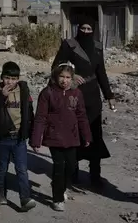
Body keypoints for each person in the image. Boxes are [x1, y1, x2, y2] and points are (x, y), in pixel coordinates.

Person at [51, 18, 115, 189]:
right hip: (74, 96)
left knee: (95, 135)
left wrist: (109, 95)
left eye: (88, 28)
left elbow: (101, 72)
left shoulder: (98, 47)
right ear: (78, 28)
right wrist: (71, 77)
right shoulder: (69, 44)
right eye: (83, 28)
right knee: (75, 135)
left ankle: (95, 176)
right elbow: (56, 66)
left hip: (93, 97)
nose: (86, 31)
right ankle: (73, 175)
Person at [30, 62, 92, 212]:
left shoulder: (76, 94)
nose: (65, 80)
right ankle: (57, 199)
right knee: (59, 167)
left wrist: (87, 135)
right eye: (62, 77)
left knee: (71, 166)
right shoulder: (47, 93)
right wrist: (36, 140)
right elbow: (40, 118)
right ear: (55, 77)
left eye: (68, 77)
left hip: (72, 136)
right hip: (54, 137)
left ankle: (60, 186)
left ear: (72, 78)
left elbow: (82, 116)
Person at [0, 61, 37, 212]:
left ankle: (25, 198)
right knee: (2, 167)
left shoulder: (24, 91)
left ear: (18, 79)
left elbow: (30, 113)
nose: (10, 81)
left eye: (14, 78)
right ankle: (1, 194)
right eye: (7, 78)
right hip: (3, 137)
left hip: (19, 138)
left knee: (22, 169)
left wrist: (32, 134)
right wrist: (1, 97)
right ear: (2, 77)